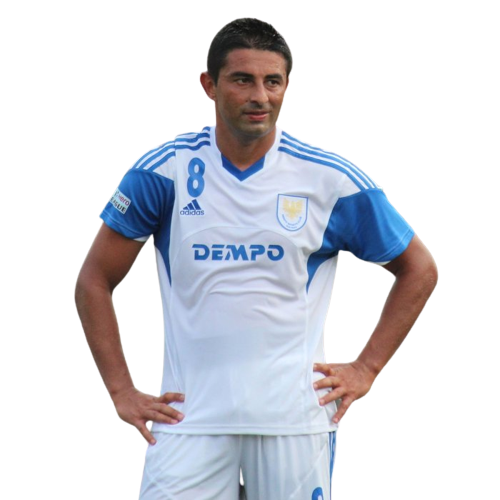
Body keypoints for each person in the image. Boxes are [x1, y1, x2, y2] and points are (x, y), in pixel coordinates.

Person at [74, 17, 438, 500]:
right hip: (188, 420)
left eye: (273, 82)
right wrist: (121, 392)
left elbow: (419, 269)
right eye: (242, 80)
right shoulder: (165, 170)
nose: (259, 96)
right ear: (209, 85)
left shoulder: (329, 179)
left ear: (287, 86)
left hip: (294, 421)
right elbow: (94, 281)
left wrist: (366, 369)